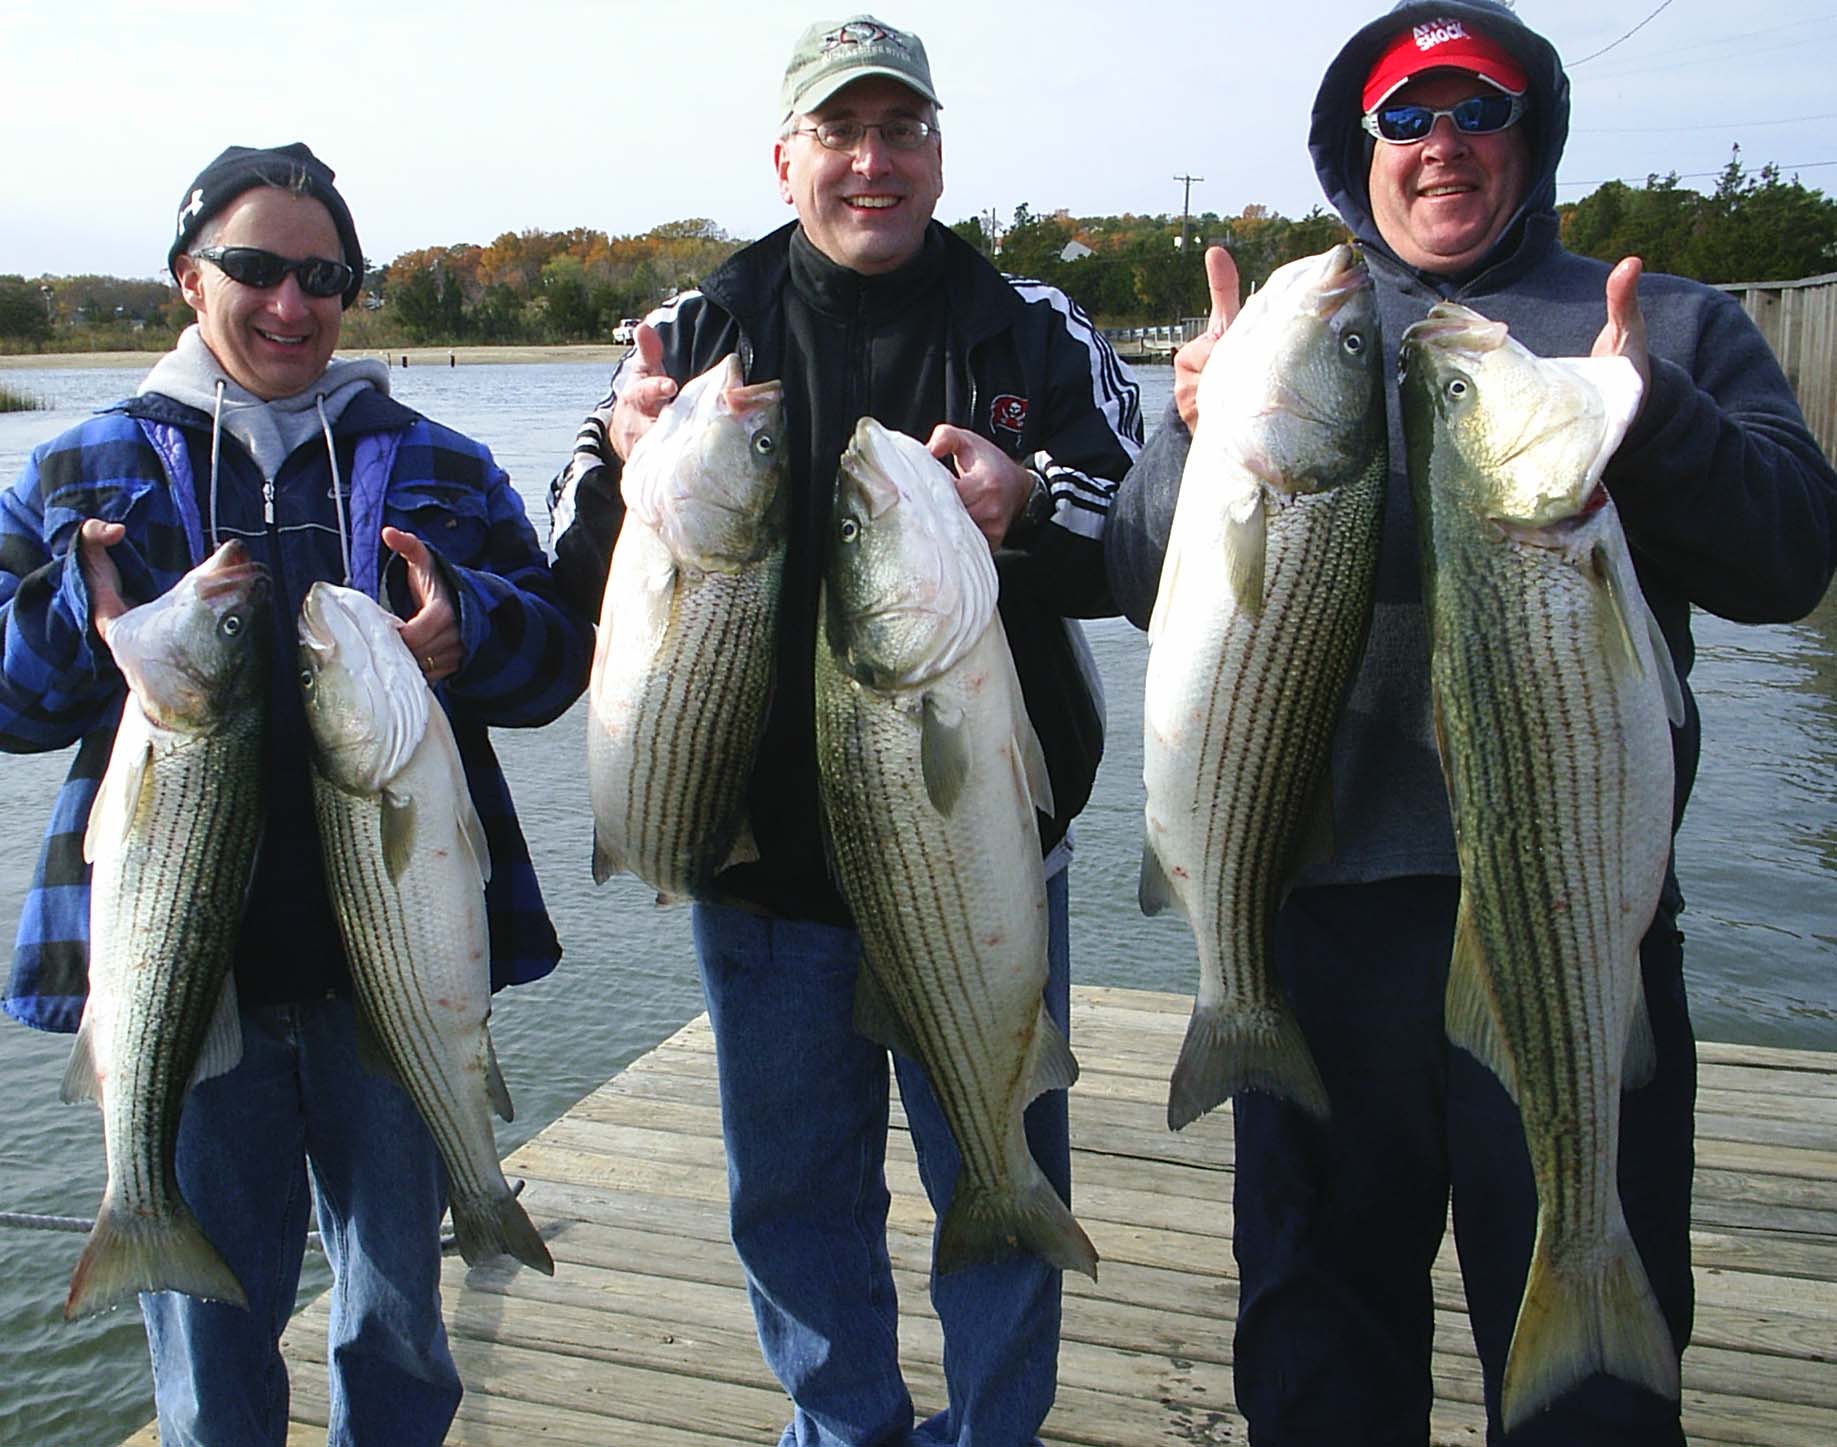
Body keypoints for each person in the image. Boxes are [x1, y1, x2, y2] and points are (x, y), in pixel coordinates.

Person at [1105, 4, 1837, 1445]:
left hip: (1575, 913)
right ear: (1357, 147)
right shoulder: (1283, 330)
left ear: (1531, 134)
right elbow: (1143, 582)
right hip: (1316, 922)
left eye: (1474, 111)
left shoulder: (1662, 319)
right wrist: (1193, 430)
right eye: (1402, 117)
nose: (1439, 146)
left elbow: (1790, 561)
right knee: (1319, 1343)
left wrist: (1658, 419)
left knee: (1597, 1394)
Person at [549, 15, 1140, 1445]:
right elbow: (563, 564)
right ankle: (843, 1430)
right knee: (796, 1196)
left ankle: (996, 1429)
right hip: (765, 882)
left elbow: (1144, 532)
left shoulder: (1033, 323)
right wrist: (625, 473)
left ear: (938, 152)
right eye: (839, 133)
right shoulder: (694, 332)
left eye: (901, 132)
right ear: (784, 156)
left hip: (979, 846)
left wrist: (1027, 505)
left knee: (995, 1162)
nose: (872, 163)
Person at [0, 143, 591, 1446]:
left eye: (323, 276)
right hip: (179, 975)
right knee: (214, 1357)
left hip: (394, 975)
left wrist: (470, 631)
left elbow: (558, 662)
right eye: (256, 268)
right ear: (184, 278)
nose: (290, 304)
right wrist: (68, 623)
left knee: (397, 1321)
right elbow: (6, 700)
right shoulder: (71, 476)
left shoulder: (436, 459)